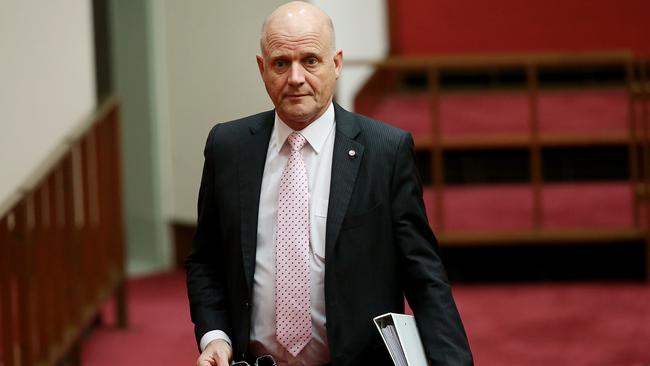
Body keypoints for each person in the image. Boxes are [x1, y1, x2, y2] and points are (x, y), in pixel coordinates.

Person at [185, 2, 473, 365]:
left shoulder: (385, 151)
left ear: (335, 64)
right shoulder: (228, 147)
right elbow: (206, 261)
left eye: (310, 60)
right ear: (262, 68)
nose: (295, 78)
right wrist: (215, 336)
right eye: (280, 63)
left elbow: (423, 275)